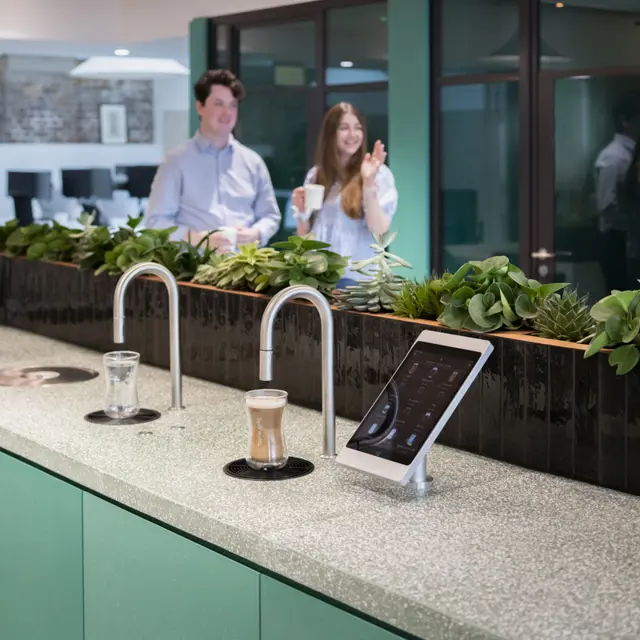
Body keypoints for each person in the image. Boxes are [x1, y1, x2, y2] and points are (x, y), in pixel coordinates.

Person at [145, 69, 281, 253]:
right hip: (193, 271)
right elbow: (156, 222)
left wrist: (255, 233)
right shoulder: (176, 161)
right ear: (200, 107)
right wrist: (199, 239)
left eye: (233, 105)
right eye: (219, 104)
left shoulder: (253, 162)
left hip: (245, 270)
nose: (228, 113)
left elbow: (270, 215)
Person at [291, 102, 398, 286]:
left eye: (358, 128)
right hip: (320, 278)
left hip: (359, 283)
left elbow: (380, 233)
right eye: (344, 128)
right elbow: (305, 238)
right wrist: (302, 214)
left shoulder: (378, 174)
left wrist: (368, 182)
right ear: (330, 134)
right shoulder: (316, 175)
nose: (352, 135)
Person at [593, 96, 640, 293]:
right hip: (617, 241)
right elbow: (607, 206)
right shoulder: (614, 156)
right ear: (625, 120)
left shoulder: (630, 152)